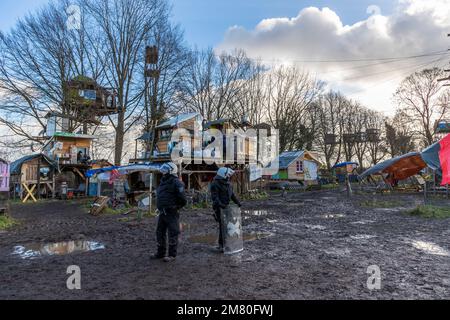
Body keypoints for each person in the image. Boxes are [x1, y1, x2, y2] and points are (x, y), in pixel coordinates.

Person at [152, 162, 187, 262]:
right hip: (162, 212)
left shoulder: (176, 182)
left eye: (166, 169)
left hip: (171, 211)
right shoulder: (163, 181)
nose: (164, 171)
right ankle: (160, 253)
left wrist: (176, 207)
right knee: (160, 232)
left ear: (171, 170)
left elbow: (183, 199)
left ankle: (172, 255)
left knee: (173, 232)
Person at [210, 167, 242, 252]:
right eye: (228, 175)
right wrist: (221, 205)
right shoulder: (215, 184)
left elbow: (232, 195)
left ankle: (226, 243)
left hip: (227, 207)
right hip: (219, 208)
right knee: (222, 226)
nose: (229, 176)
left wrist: (237, 202)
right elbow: (215, 198)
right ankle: (221, 245)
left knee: (228, 226)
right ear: (223, 175)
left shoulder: (228, 183)